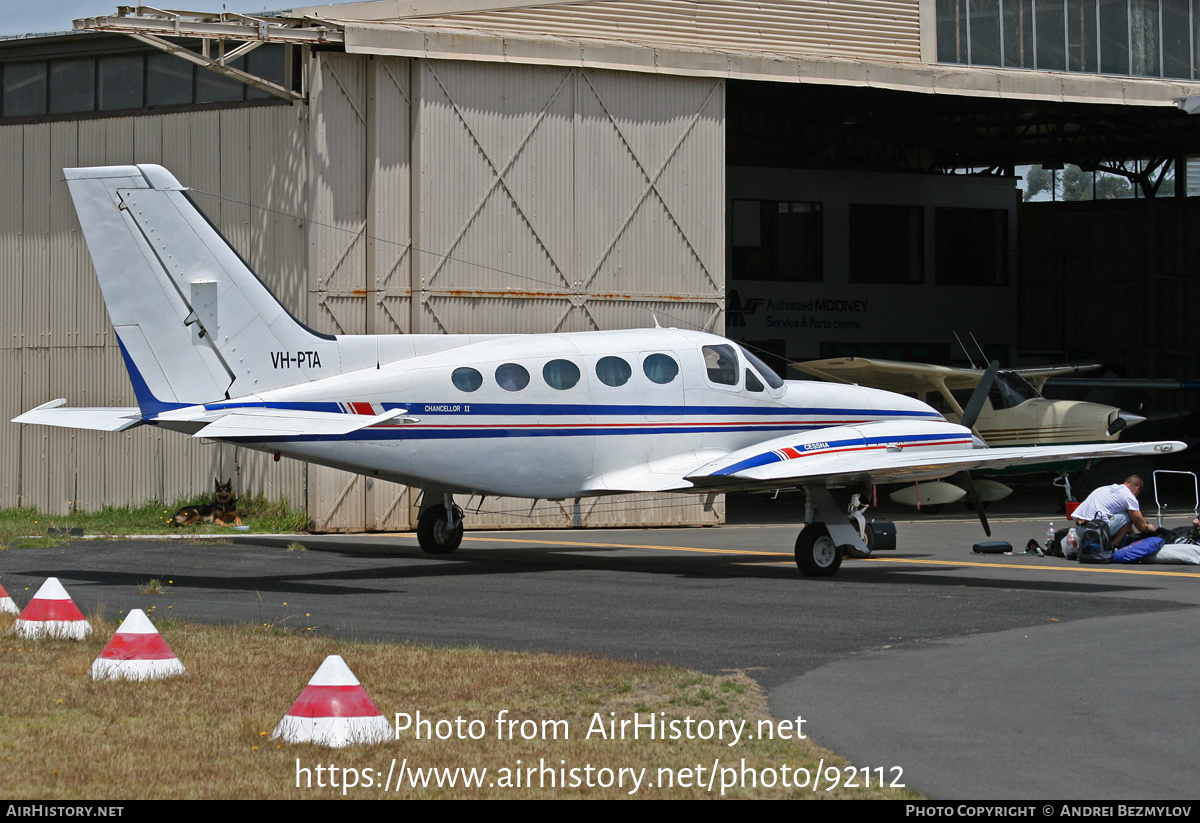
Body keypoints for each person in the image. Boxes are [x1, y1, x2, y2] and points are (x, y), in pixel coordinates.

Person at [1071, 475, 1157, 547]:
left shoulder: (1105, 488)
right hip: (1097, 532)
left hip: (1081, 530)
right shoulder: (1129, 496)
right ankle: (1113, 547)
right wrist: (1149, 528)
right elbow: (1141, 527)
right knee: (1128, 516)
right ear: (1137, 489)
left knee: (1116, 515)